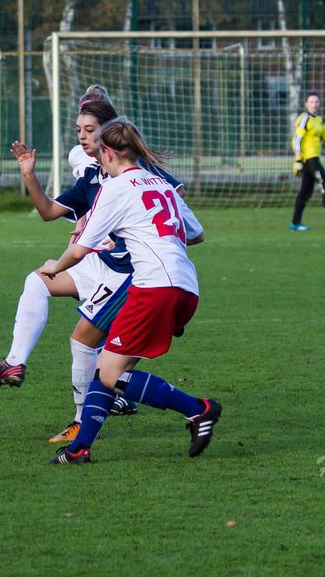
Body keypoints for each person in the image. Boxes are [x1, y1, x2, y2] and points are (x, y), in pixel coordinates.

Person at [0, 88, 201, 444]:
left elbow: (174, 203)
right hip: (99, 264)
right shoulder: (91, 177)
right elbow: (47, 212)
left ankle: (83, 421)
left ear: (109, 135)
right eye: (79, 130)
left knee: (85, 343)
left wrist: (120, 229)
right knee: (37, 282)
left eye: (90, 129)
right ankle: (16, 360)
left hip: (133, 275)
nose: (82, 135)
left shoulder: (135, 172)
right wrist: (29, 174)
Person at [38, 118, 219, 465]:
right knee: (111, 370)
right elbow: (196, 234)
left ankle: (200, 409)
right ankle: (79, 449)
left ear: (107, 153)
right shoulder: (162, 184)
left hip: (155, 287)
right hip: (186, 288)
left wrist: (54, 268)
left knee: (108, 371)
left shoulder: (116, 188)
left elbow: (79, 249)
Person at [289, 90, 325, 231]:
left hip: (313, 159)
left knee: (305, 192)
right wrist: (298, 160)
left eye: (317, 101)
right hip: (309, 159)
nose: (315, 104)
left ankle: (295, 224)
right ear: (306, 104)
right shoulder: (304, 118)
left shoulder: (318, 120)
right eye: (311, 102)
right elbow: (297, 140)